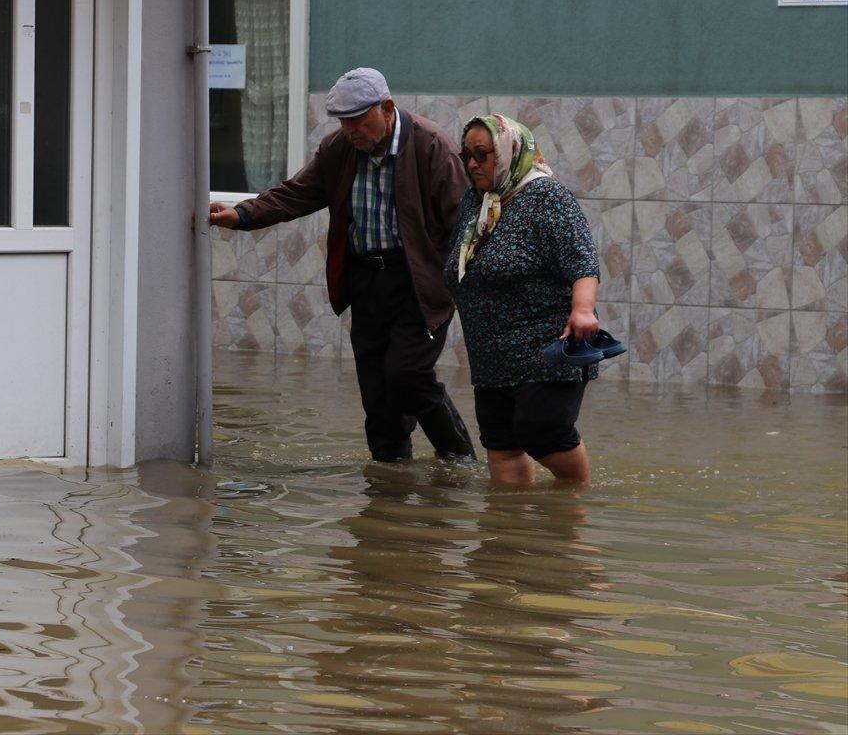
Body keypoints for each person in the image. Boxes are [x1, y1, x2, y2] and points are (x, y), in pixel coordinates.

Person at [209, 67, 474, 462]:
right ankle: (390, 483)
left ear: (387, 108)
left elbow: (463, 224)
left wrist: (463, 288)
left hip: (419, 283)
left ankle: (458, 459)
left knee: (407, 375)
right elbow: (297, 193)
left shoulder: (432, 146)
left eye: (357, 120)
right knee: (377, 394)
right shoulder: (340, 149)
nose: (350, 130)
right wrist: (243, 214)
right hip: (366, 280)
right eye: (343, 121)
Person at [443, 114, 600, 484]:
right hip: (491, 355)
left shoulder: (546, 196)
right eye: (466, 155)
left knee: (543, 433)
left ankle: (572, 519)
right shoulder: (476, 201)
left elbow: (583, 262)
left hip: (545, 350)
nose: (472, 164)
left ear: (508, 151)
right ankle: (509, 536)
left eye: (482, 154)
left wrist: (583, 310)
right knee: (501, 444)